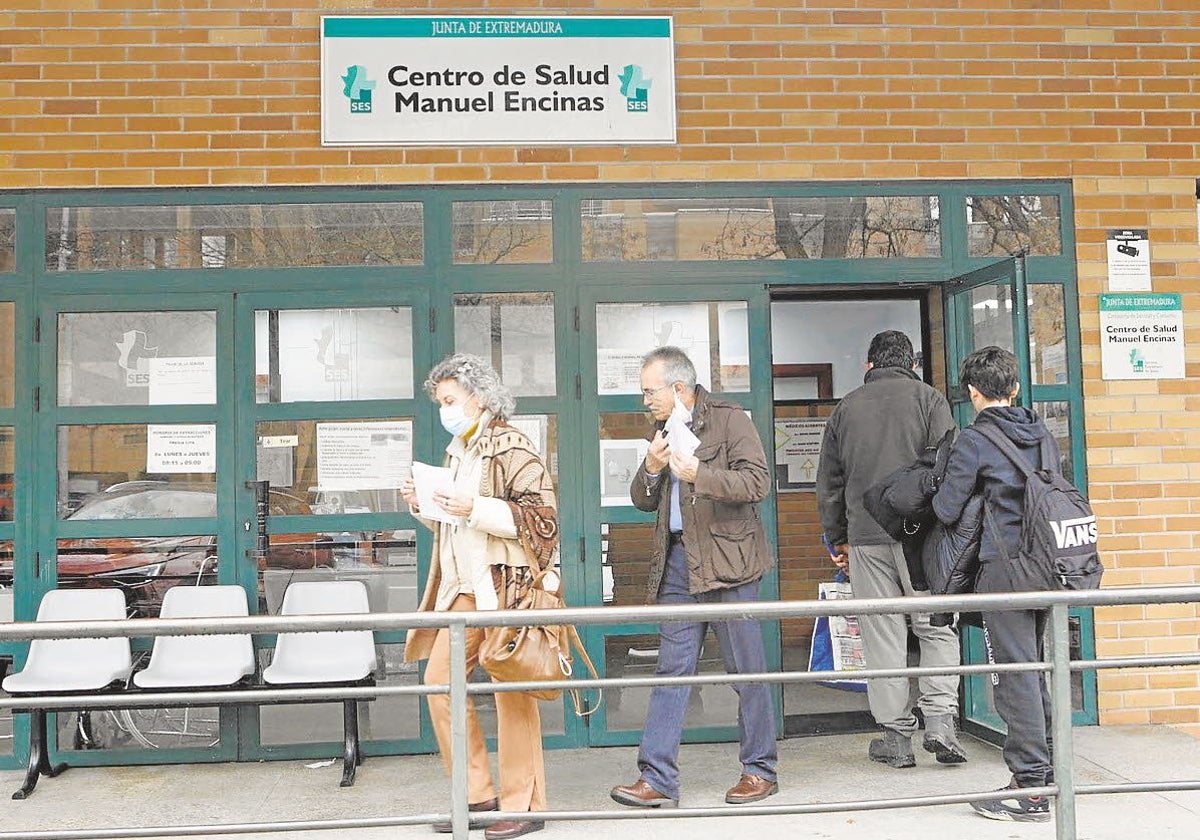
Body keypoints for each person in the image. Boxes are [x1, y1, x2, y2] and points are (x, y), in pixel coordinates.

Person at [610, 346, 778, 809]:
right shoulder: (662, 430)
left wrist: (701, 473)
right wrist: (652, 468)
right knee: (671, 671)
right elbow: (644, 501)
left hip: (731, 564)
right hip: (680, 565)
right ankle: (657, 778)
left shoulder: (729, 420)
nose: (644, 401)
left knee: (747, 672)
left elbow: (758, 483)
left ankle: (759, 770)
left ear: (679, 388)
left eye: (650, 391)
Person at [402, 353, 558, 840]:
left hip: (507, 590)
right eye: (441, 402)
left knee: (513, 693)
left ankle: (524, 802)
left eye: (450, 400)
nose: (445, 409)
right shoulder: (459, 450)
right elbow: (457, 525)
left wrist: (475, 506)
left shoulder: (514, 446)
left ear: (480, 397)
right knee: (440, 682)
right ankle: (476, 795)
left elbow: (543, 522)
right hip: (464, 590)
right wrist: (424, 506)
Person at [815, 330, 967, 768]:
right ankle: (940, 722)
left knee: (882, 634)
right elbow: (949, 465)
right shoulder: (929, 399)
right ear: (911, 363)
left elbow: (829, 482)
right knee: (935, 626)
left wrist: (837, 535)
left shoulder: (845, 409)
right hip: (922, 536)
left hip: (866, 536)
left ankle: (896, 738)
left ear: (869, 365)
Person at [933, 346, 1056, 823]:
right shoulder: (1040, 431)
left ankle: (1030, 789)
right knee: (1034, 670)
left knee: (1013, 676)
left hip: (1004, 572)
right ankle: (1045, 773)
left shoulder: (974, 440)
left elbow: (946, 508)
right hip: (1045, 566)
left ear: (972, 392)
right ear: (1016, 388)